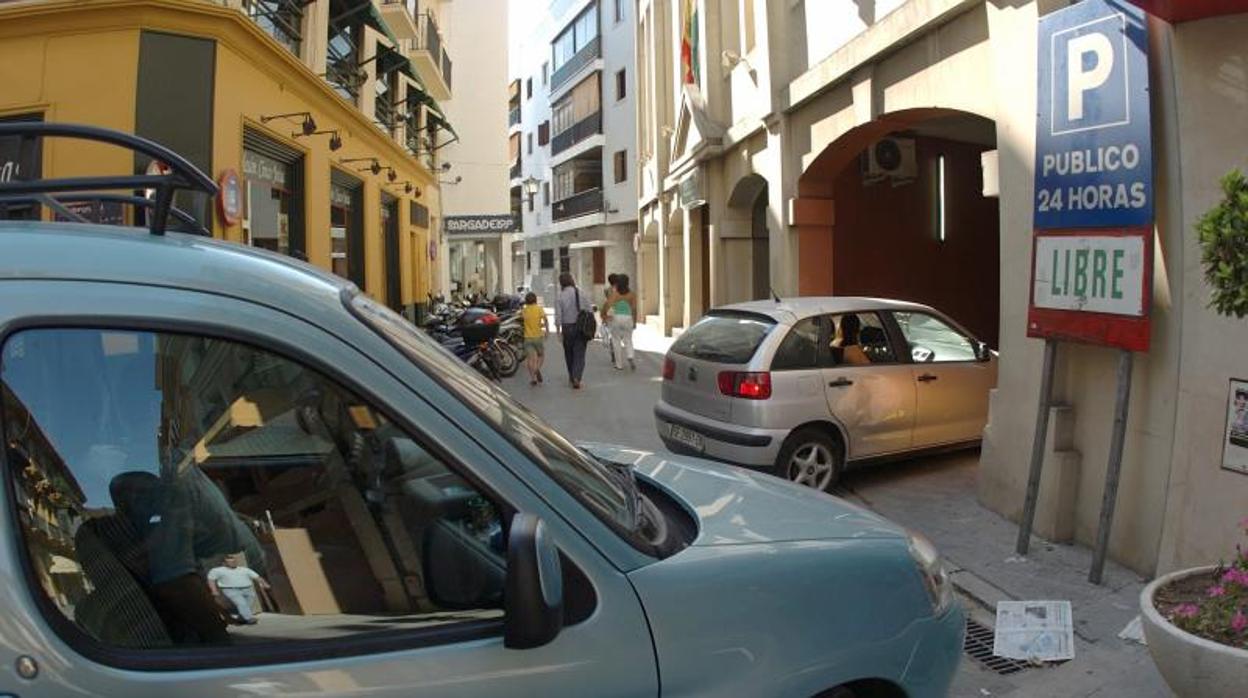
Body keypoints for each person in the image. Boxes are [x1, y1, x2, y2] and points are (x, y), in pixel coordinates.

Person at [554, 272, 593, 389]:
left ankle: (572, 375)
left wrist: (558, 331)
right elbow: (590, 310)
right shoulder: (581, 293)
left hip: (567, 328)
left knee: (569, 353)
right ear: (572, 280)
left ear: (561, 283)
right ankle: (577, 377)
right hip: (581, 327)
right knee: (579, 353)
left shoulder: (560, 296)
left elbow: (558, 316)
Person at [207, 553, 271, 625]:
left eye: (234, 561)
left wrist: (265, 584)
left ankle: (241, 618)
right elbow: (211, 580)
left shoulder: (244, 569)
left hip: (248, 589)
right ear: (224, 563)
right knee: (242, 603)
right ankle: (249, 618)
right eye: (230, 562)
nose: (233, 563)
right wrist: (214, 590)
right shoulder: (217, 570)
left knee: (248, 604)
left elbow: (257, 577)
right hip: (231, 590)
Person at [603, 274, 637, 371]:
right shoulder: (632, 294)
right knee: (628, 339)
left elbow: (609, 306)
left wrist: (606, 317)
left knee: (616, 340)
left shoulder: (614, 294)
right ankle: (630, 355)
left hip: (616, 318)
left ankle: (619, 364)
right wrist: (634, 322)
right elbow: (634, 309)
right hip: (628, 317)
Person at [521, 292, 548, 386]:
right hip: (538, 337)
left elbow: (520, 318)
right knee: (541, 355)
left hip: (527, 338)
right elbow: (545, 319)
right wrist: (546, 330)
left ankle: (533, 379)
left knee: (530, 359)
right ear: (535, 300)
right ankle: (537, 368)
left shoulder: (524, 310)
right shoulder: (539, 309)